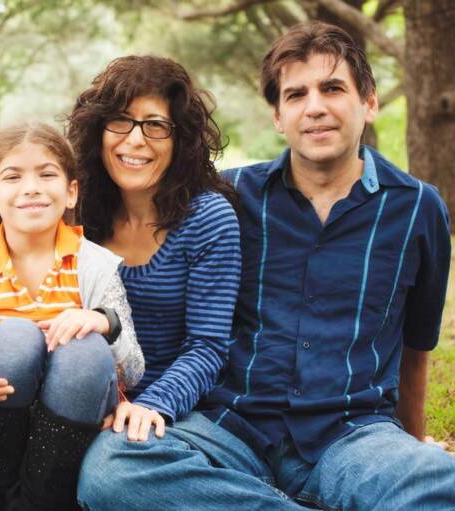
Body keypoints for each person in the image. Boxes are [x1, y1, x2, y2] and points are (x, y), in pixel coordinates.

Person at [77, 22, 455, 511]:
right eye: (295, 94)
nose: (314, 106)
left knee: (440, 482)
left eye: (333, 88)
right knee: (110, 471)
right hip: (229, 428)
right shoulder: (232, 198)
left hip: (352, 437)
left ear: (369, 102)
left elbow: (415, 349)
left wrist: (409, 448)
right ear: (278, 116)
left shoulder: (418, 208)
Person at [0, 122, 144, 511]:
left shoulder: (94, 265)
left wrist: (105, 322)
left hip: (69, 421)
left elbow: (134, 367)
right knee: (16, 336)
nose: (32, 187)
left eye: (47, 174)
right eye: (13, 176)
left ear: (71, 191)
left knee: (84, 346)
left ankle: (44, 501)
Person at [66, 52, 241, 487]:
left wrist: (152, 406)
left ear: (179, 140)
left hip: (181, 412)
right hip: (91, 404)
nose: (136, 140)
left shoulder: (206, 218)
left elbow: (207, 346)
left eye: (155, 125)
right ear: (98, 131)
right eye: (121, 120)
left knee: (111, 475)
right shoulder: (76, 215)